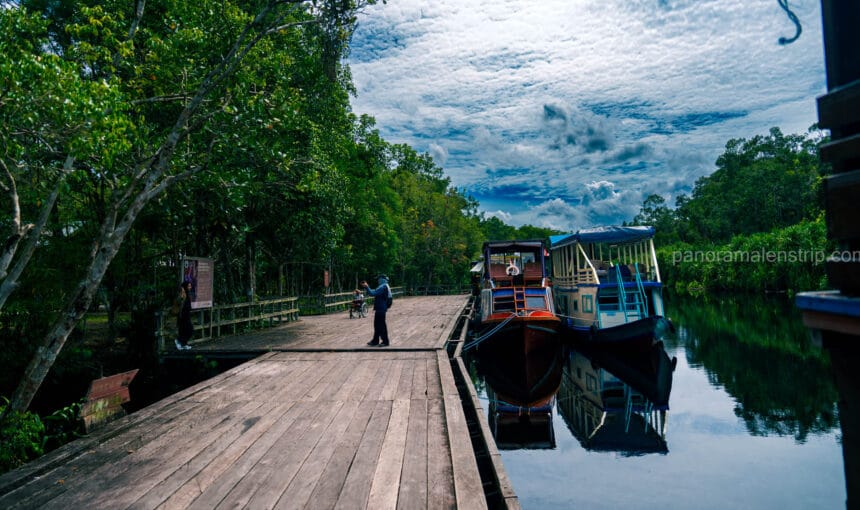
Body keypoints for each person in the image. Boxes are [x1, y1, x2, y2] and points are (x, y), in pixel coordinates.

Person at [361, 274, 392, 346]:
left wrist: (367, 286)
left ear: (382, 279)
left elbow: (373, 293)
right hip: (380, 308)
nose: (378, 280)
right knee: (377, 325)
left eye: (378, 279)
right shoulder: (384, 286)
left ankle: (385, 342)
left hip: (381, 309)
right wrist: (366, 288)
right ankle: (375, 341)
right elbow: (373, 291)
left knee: (381, 326)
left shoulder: (383, 287)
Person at [175, 280, 194, 350]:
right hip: (182, 316)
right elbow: (179, 304)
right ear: (185, 287)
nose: (190, 287)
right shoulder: (182, 294)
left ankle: (183, 343)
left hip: (187, 315)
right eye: (189, 286)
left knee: (188, 330)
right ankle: (178, 341)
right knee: (186, 330)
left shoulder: (187, 294)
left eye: (190, 286)